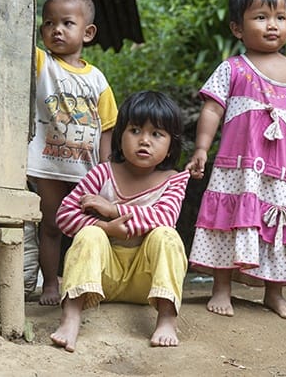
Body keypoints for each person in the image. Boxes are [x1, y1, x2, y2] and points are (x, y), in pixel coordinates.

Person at [185, 0, 286, 319]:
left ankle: (274, 292)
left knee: (277, 226)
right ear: (238, 28)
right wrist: (202, 148)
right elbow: (212, 109)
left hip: (278, 173)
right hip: (235, 169)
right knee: (228, 221)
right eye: (261, 17)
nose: (272, 25)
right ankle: (221, 287)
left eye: (280, 17)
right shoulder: (233, 68)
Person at [49, 90, 190, 351]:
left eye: (156, 134)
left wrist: (113, 209)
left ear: (172, 144)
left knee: (167, 236)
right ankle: (71, 317)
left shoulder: (174, 179)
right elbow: (64, 215)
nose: (144, 141)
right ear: (120, 136)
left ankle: (168, 318)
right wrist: (104, 227)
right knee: (90, 235)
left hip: (146, 281)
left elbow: (165, 216)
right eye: (135, 131)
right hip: (103, 278)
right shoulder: (103, 173)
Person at [27, 0, 119, 305]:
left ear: (87, 32)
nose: (57, 30)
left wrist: (106, 170)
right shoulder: (42, 64)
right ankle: (51, 284)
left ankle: (84, 283)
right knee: (51, 227)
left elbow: (107, 128)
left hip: (86, 171)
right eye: (49, 23)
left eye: (67, 23)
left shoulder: (97, 80)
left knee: (85, 229)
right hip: (49, 166)